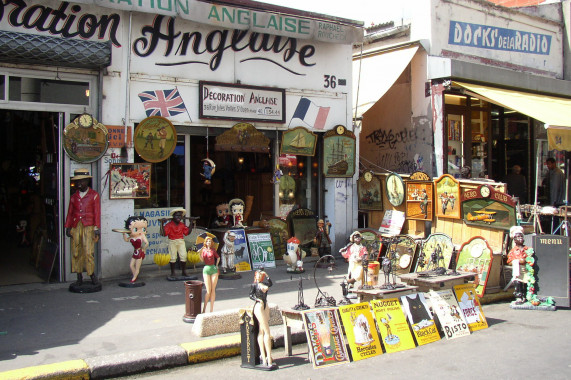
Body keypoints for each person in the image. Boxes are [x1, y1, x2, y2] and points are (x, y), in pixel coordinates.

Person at [65, 168, 101, 287]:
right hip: (76, 226)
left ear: (87, 181)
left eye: (81, 181)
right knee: (76, 251)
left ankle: (91, 275)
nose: (79, 184)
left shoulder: (94, 195)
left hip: (88, 226)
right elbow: (70, 212)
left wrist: (96, 227)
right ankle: (79, 275)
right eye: (77, 181)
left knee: (88, 251)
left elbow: (97, 212)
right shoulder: (74, 196)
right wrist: (68, 226)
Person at [249, 269, 275, 368]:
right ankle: (267, 357)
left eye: (261, 276)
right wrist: (257, 299)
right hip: (259, 306)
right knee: (266, 330)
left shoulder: (264, 283)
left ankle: (265, 356)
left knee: (262, 330)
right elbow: (250, 295)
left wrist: (267, 274)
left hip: (265, 305)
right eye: (258, 275)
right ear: (255, 276)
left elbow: (270, 283)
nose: (259, 277)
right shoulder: (254, 285)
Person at [160, 208, 191, 278]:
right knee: (172, 257)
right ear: (173, 217)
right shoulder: (169, 225)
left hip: (180, 241)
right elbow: (164, 233)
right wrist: (162, 224)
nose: (178, 218)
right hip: (172, 241)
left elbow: (187, 232)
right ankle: (172, 272)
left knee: (183, 255)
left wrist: (191, 223)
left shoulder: (182, 225)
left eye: (180, 216)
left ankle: (184, 271)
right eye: (177, 216)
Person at [507, 226, 532, 305]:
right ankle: (519, 297)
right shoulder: (513, 251)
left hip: (527, 269)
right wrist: (517, 261)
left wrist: (527, 260)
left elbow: (531, 258)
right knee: (518, 283)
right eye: (518, 237)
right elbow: (509, 261)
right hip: (518, 270)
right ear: (514, 240)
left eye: (521, 236)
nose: (520, 238)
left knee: (527, 283)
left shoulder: (528, 249)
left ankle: (526, 296)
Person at [122, 215, 149, 283]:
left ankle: (134, 278)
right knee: (131, 265)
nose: (140, 231)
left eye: (143, 229)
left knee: (137, 266)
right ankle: (135, 275)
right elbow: (126, 240)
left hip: (139, 252)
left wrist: (143, 249)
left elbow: (147, 243)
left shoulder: (142, 235)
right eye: (136, 229)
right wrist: (124, 234)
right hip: (135, 252)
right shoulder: (132, 236)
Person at [199, 236, 220, 313]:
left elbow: (218, 257)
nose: (209, 243)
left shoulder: (213, 250)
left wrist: (217, 265)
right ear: (205, 242)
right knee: (208, 290)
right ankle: (204, 308)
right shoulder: (204, 250)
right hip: (206, 269)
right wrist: (199, 253)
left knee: (213, 289)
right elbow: (202, 259)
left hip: (213, 269)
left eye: (210, 242)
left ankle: (211, 309)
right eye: (207, 241)